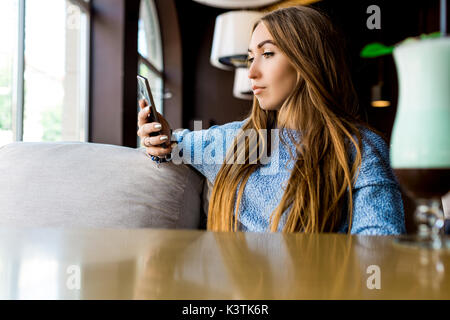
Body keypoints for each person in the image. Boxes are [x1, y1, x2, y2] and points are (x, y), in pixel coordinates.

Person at [137, 5, 406, 235]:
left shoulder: (361, 149)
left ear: (307, 61)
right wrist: (157, 138)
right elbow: (173, 144)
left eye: (267, 54)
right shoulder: (238, 141)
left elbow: (378, 247)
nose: (251, 72)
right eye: (250, 58)